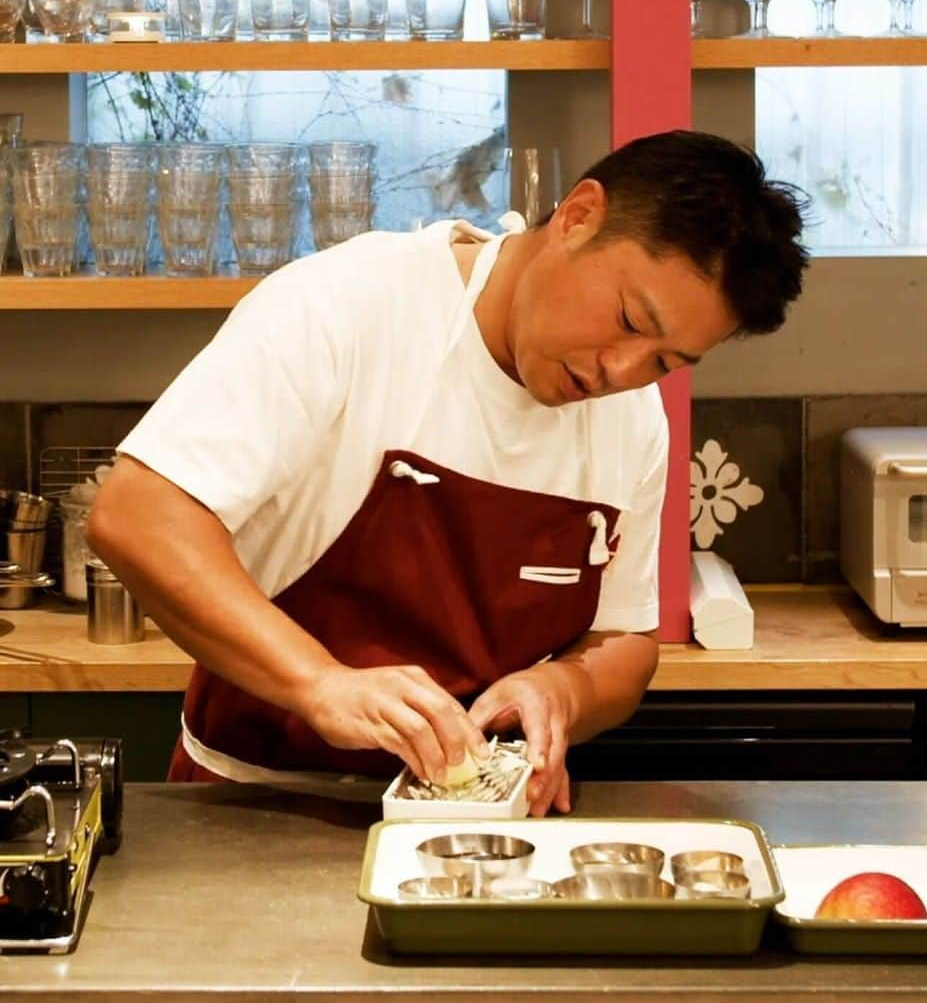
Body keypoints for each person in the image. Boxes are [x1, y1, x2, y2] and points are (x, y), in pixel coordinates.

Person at [87, 130, 809, 817]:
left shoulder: (632, 419)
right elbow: (138, 515)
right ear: (579, 217)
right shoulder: (349, 305)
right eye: (627, 318)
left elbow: (623, 642)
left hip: (483, 826)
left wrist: (562, 689)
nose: (620, 371)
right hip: (254, 805)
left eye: (663, 362)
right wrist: (319, 682)